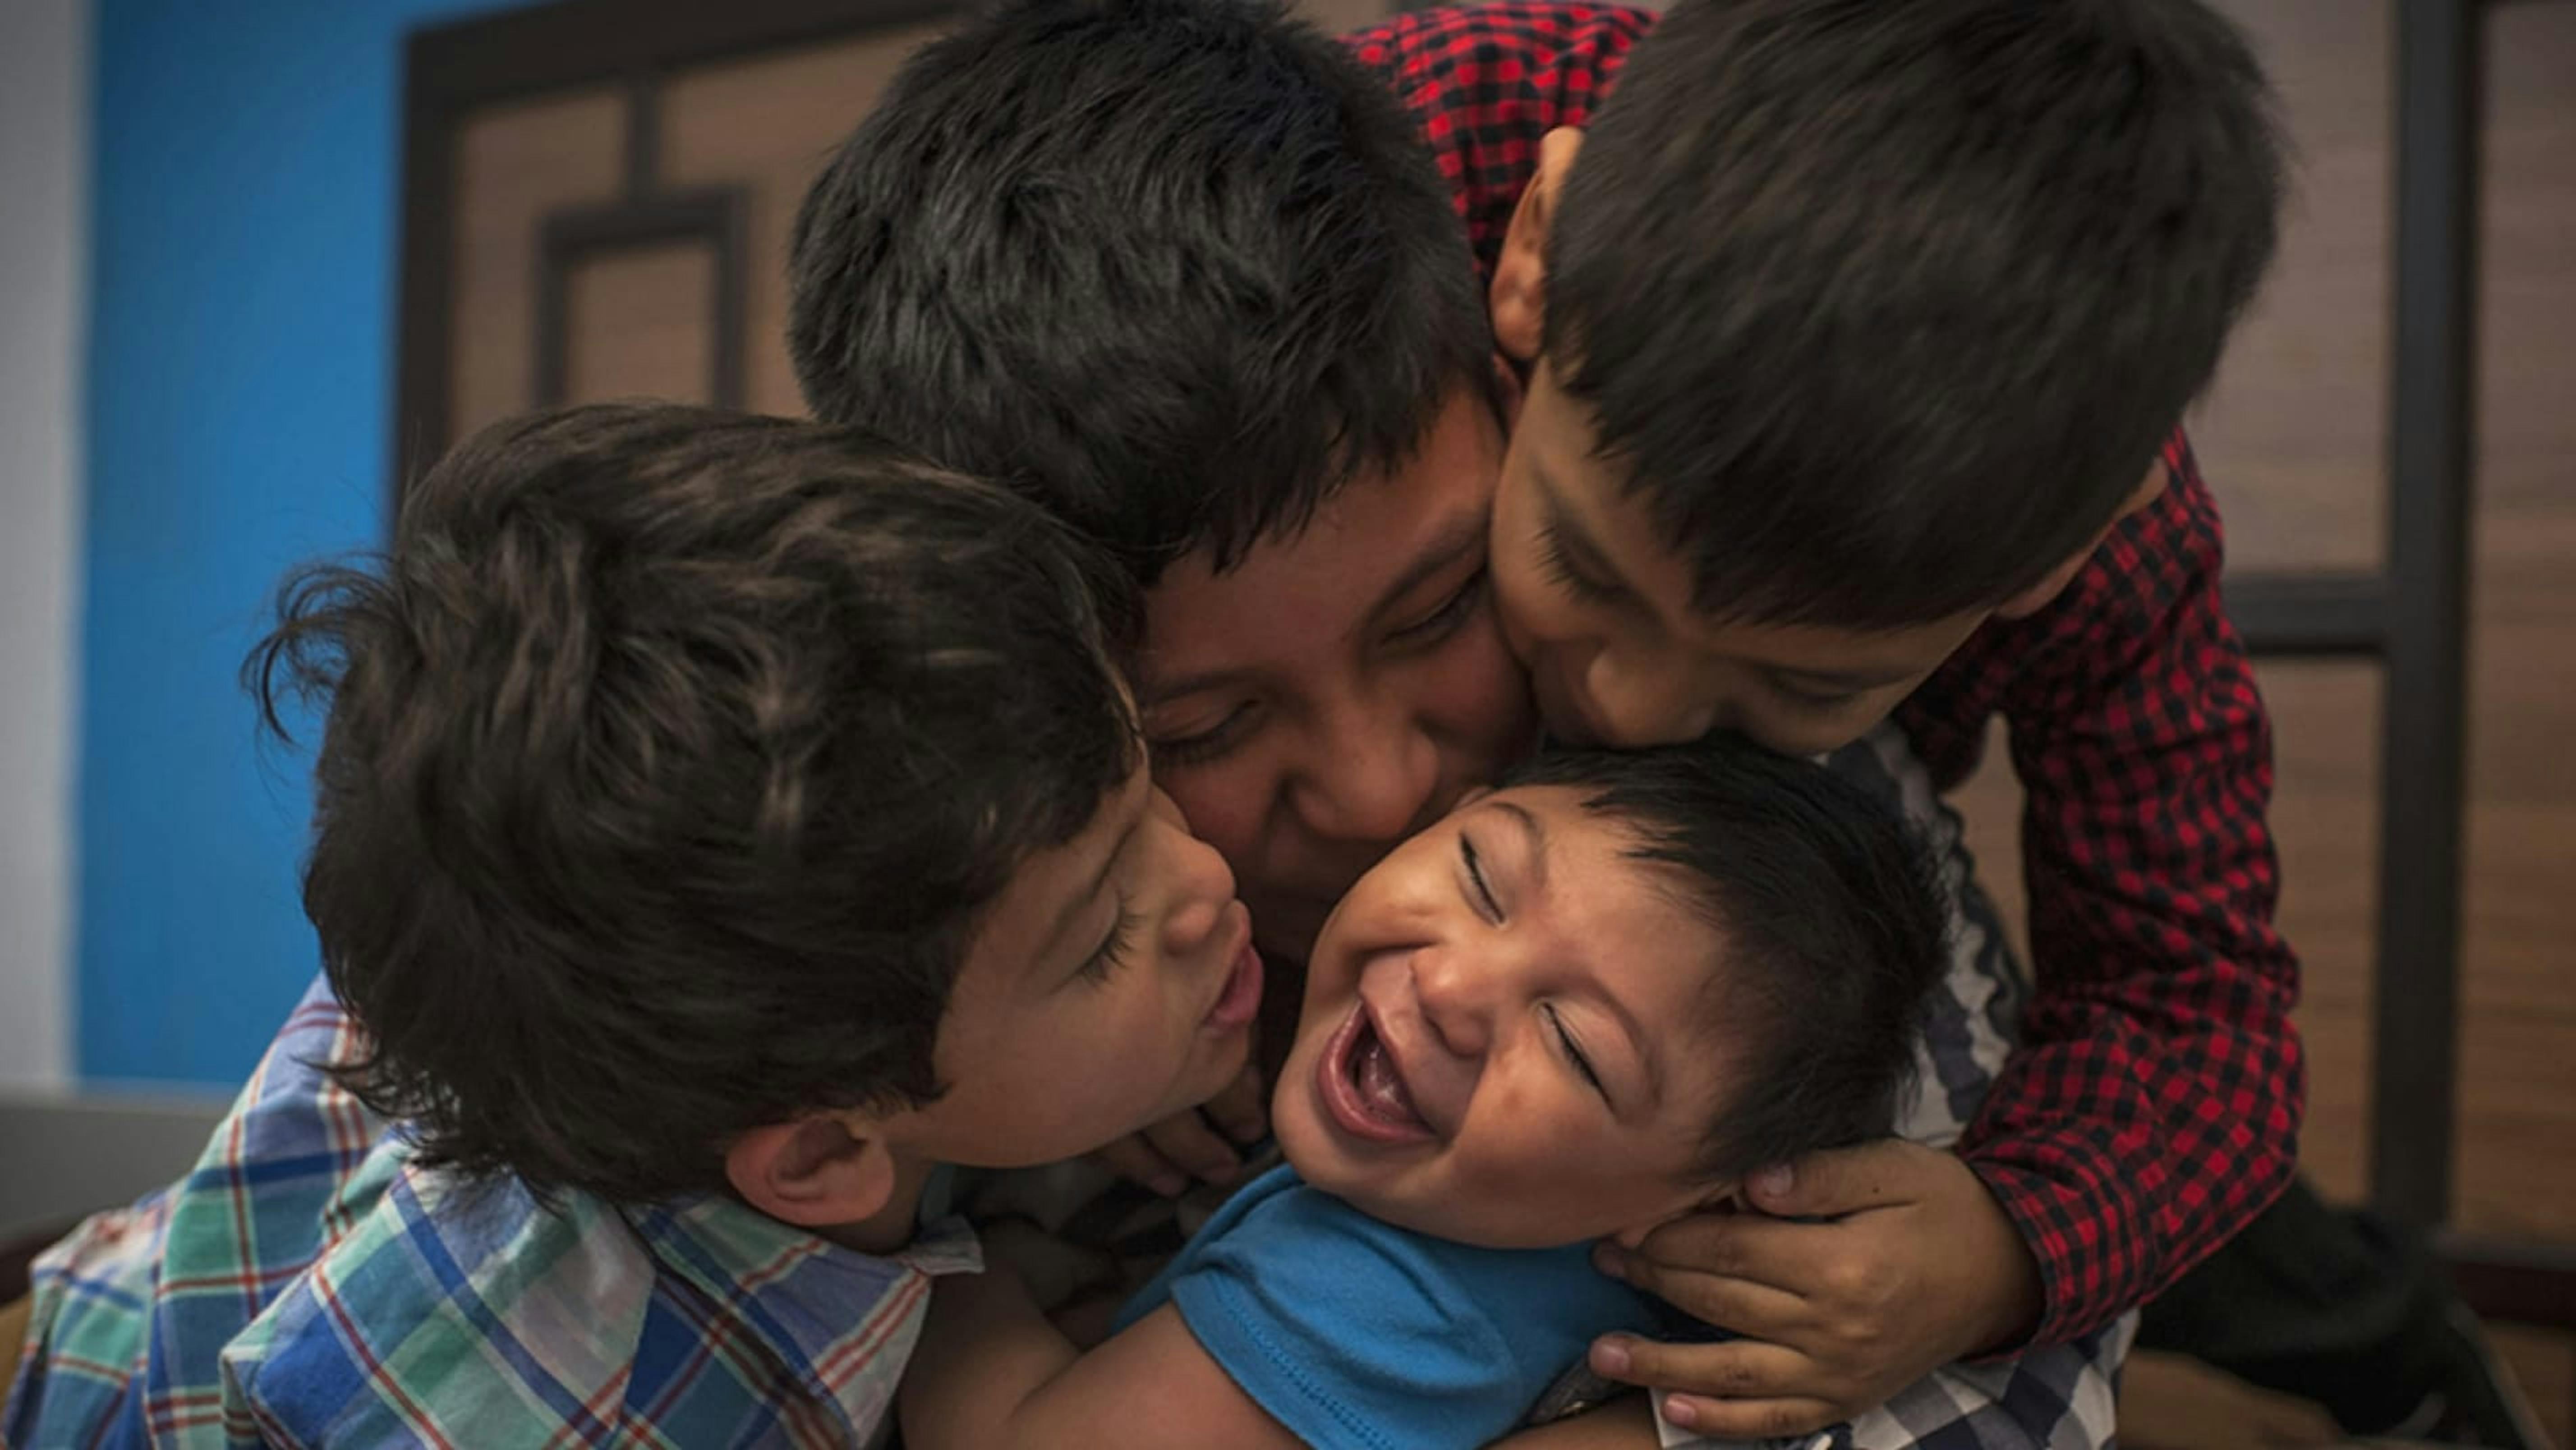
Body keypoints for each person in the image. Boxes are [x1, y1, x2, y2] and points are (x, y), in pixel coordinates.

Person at [786, 2, 2120, 1444]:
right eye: (1206, 725)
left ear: (1510, 366)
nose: (1377, 797)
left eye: (1432, 615)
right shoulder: (915, 872)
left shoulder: (1742, 877)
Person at [1352, 3, 2535, 1442]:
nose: (1631, 712)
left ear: (2057, 567)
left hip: (1803, 875)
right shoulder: (1409, 138)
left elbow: (2192, 1005)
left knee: (2050, 1146)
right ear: (1535, 256)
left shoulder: (2119, 552)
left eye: (1800, 681)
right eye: (1587, 571)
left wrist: (1997, 1248)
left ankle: (2395, 1345)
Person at [1, 404, 1268, 1448]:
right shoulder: (582, 1411)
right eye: (1101, 937)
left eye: (1153, 775)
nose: (1206, 881)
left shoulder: (573, 923)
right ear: (823, 1152)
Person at [898, 742, 1952, 1450]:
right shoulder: (1513, 1235)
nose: (1451, 989)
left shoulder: (1381, 1303)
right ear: (1456, 812)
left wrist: (938, 1263)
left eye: (1576, 1046)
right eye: (1483, 879)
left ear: (1690, 1204)